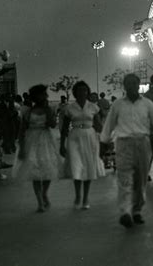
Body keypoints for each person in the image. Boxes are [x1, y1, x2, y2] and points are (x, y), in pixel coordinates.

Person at [100, 73, 153, 228]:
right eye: (128, 83)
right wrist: (104, 141)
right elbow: (109, 124)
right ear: (124, 86)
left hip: (143, 142)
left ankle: (137, 209)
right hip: (123, 143)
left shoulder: (147, 104)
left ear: (139, 85)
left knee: (141, 178)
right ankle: (125, 211)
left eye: (134, 83)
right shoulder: (118, 105)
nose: (132, 86)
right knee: (124, 177)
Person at [12, 84, 59, 212]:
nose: (46, 96)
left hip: (46, 140)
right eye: (43, 94)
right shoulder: (27, 111)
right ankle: (39, 201)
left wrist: (48, 111)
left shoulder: (48, 109)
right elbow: (21, 131)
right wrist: (21, 148)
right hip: (31, 140)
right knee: (35, 172)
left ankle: (44, 193)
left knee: (47, 169)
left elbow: (53, 124)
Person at [60, 81, 105, 210]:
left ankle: (85, 197)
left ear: (88, 92)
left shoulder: (93, 107)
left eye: (85, 90)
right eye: (79, 90)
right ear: (75, 92)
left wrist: (104, 138)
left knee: (88, 167)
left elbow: (98, 125)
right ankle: (77, 195)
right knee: (76, 166)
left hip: (90, 136)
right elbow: (64, 127)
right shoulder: (70, 108)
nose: (82, 93)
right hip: (74, 137)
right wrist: (62, 145)